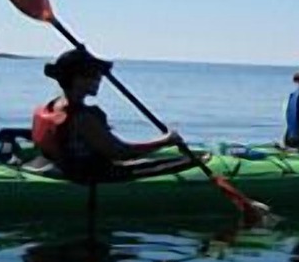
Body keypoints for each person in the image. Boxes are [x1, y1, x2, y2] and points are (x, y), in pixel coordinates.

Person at [31, 48, 197, 182]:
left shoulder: (52, 106)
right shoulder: (83, 118)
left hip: (61, 167)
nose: (99, 78)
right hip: (87, 175)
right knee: (189, 163)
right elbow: (121, 152)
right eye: (92, 74)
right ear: (76, 79)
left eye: (98, 74)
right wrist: (166, 141)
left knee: (146, 162)